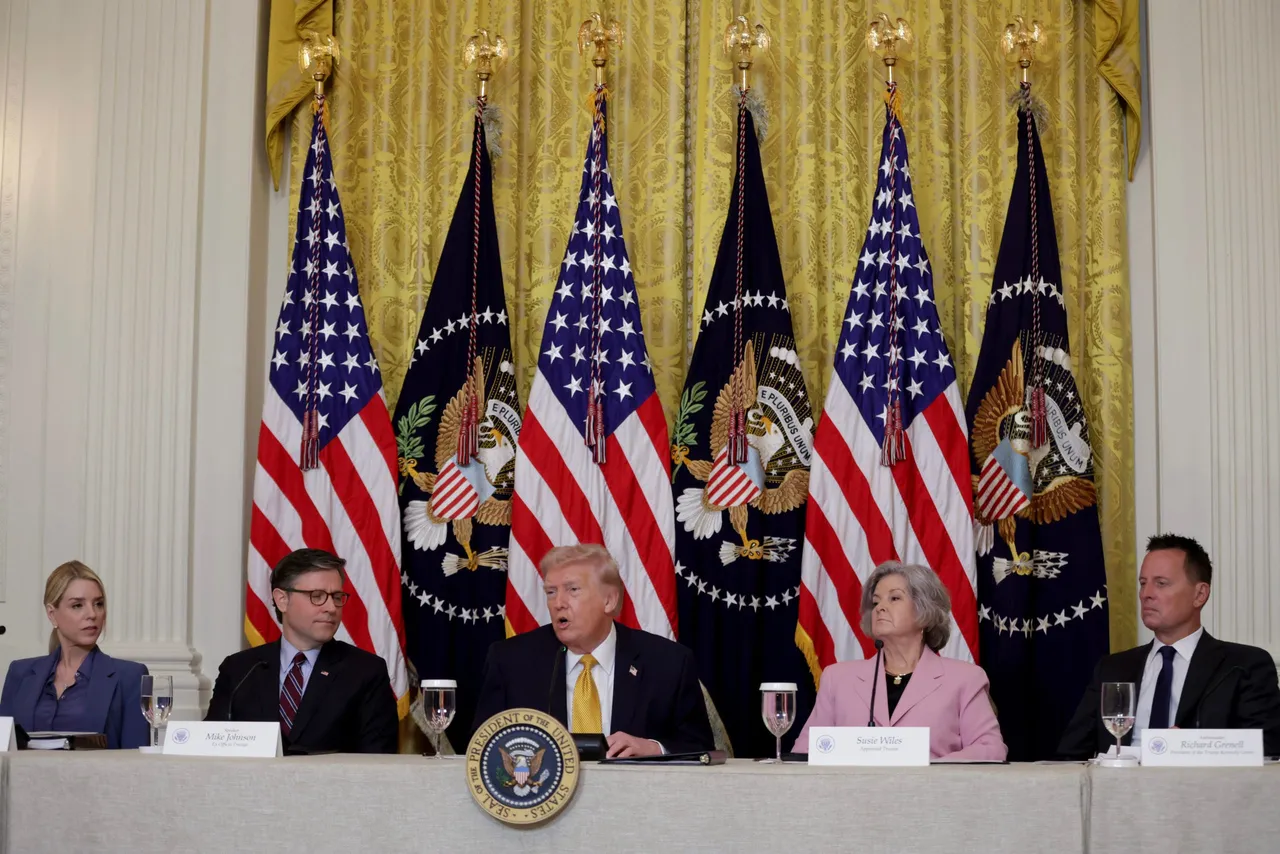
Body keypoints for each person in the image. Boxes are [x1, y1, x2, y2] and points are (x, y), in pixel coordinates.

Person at [472, 543, 714, 757]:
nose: (558, 603)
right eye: (551, 592)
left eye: (573, 590)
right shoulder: (511, 661)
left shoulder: (667, 662)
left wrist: (654, 748)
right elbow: (482, 746)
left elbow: (701, 748)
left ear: (608, 600)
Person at [1058, 534, 1280, 759]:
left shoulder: (1242, 666)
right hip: (1120, 791)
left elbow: (1266, 752)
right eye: (1143, 583)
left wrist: (1189, 747)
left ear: (1199, 594)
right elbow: (1070, 756)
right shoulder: (1112, 668)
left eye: (1161, 583)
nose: (1146, 594)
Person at [794, 560, 1007, 761]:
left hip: (931, 795)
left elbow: (990, 748)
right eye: (876, 601)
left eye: (894, 598)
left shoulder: (965, 679)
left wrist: (928, 768)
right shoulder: (837, 679)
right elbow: (805, 752)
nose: (880, 607)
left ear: (925, 610)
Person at [205, 549, 397, 753]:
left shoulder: (365, 671)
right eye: (318, 596)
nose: (331, 607)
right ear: (282, 600)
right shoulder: (240, 669)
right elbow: (210, 745)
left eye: (337, 597)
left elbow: (379, 759)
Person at [0, 561, 149, 749]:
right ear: (52, 614)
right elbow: (4, 751)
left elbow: (136, 763)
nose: (92, 614)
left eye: (99, 604)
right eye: (78, 605)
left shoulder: (130, 677)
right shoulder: (20, 673)